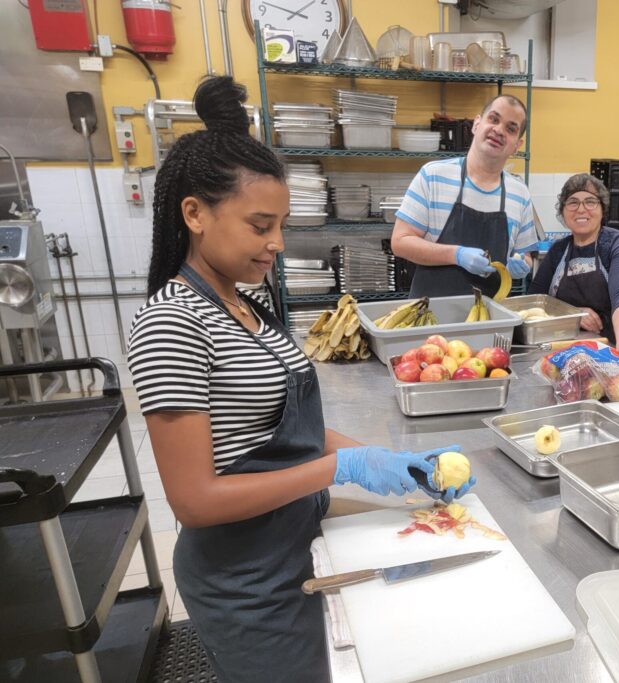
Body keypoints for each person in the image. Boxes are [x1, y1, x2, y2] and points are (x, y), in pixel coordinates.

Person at [127, 76, 474, 683]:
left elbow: (284, 432)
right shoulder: (172, 324)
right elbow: (195, 500)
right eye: (260, 226)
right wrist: (339, 469)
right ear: (195, 214)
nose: (277, 244)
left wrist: (382, 457)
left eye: (281, 225)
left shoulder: (244, 306)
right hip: (247, 580)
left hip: (296, 540)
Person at [391, 94, 540, 298]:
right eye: (494, 119)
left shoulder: (519, 193)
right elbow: (400, 242)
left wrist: (523, 264)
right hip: (428, 316)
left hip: (489, 319)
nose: (498, 130)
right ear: (476, 124)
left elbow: (526, 254)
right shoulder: (433, 176)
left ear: (517, 145)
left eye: (510, 128)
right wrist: (456, 255)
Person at [528, 174, 619, 360]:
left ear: (603, 209)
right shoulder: (558, 251)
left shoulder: (618, 244)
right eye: (572, 202)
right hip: (572, 351)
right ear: (562, 211)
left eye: (590, 201)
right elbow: (536, 301)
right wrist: (573, 313)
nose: (581, 209)